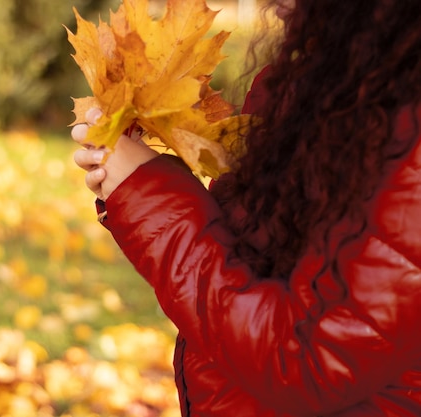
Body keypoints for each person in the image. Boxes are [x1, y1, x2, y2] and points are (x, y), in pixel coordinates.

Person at [71, 0, 421, 415]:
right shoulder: (332, 80)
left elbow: (311, 362)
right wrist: (136, 184)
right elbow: (250, 268)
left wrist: (147, 193)